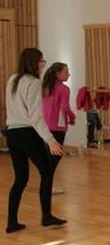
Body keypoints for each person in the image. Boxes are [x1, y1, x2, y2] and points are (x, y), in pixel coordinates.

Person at [5, 48, 65, 234]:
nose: (42, 65)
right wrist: (51, 140)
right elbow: (35, 117)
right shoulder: (33, 82)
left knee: (21, 178)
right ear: (34, 62)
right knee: (46, 171)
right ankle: (46, 216)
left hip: (12, 134)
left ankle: (12, 223)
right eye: (41, 61)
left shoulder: (12, 80)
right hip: (27, 134)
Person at [42, 62, 76, 195]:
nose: (69, 74)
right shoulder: (63, 88)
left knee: (48, 158)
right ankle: (47, 187)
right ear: (58, 74)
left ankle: (46, 185)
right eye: (66, 72)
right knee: (53, 159)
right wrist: (72, 117)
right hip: (57, 127)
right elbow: (65, 107)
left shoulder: (44, 87)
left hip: (44, 127)